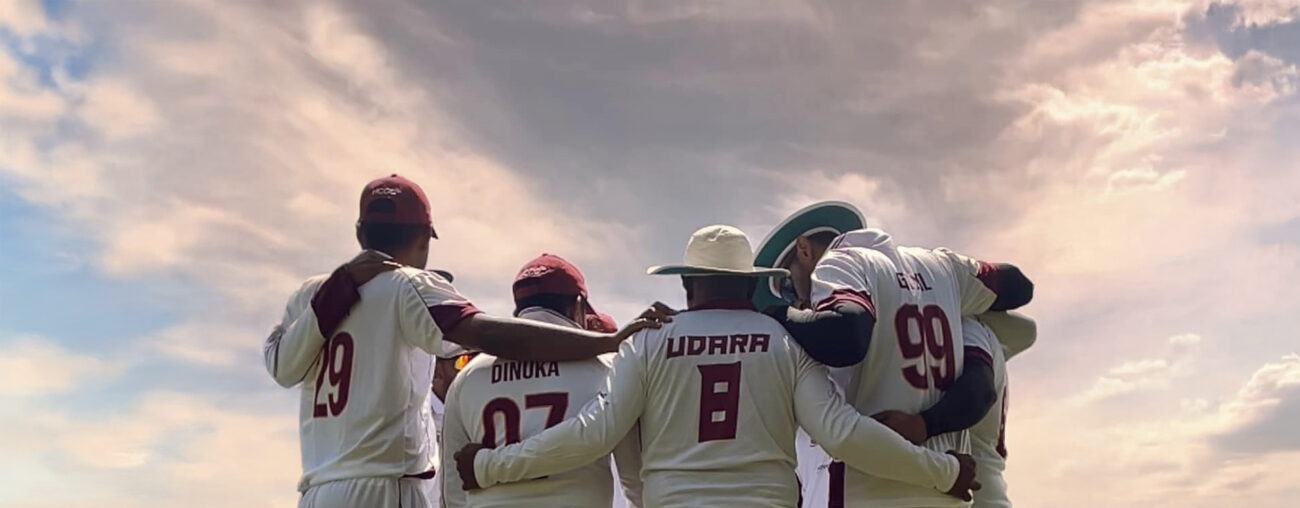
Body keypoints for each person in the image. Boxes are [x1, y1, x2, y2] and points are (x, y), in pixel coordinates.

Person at [454, 225, 980, 508]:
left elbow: (595, 435)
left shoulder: (649, 340)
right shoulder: (784, 341)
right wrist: (943, 471)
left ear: (687, 284)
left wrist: (492, 466)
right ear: (751, 283)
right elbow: (842, 434)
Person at [261, 174, 663, 508]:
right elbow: (487, 334)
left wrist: (340, 285)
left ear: (359, 231)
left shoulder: (311, 293)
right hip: (386, 485)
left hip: (317, 489)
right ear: (424, 238)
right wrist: (605, 343)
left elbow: (281, 367)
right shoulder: (409, 285)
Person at [762, 225, 1033, 507]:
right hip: (946, 490)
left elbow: (847, 337)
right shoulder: (943, 267)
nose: (799, 301)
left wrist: (779, 314)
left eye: (788, 289)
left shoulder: (838, 263)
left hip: (868, 489)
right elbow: (1018, 286)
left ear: (804, 250)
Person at [440, 254, 644, 507]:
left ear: (517, 310)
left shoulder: (469, 375)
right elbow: (634, 478)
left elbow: (452, 487)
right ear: (578, 305)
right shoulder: (606, 369)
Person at [964, 312, 1037, 508]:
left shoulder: (970, 336)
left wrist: (958, 306)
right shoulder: (991, 344)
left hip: (969, 485)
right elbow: (1028, 331)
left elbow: (1029, 331)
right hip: (990, 485)